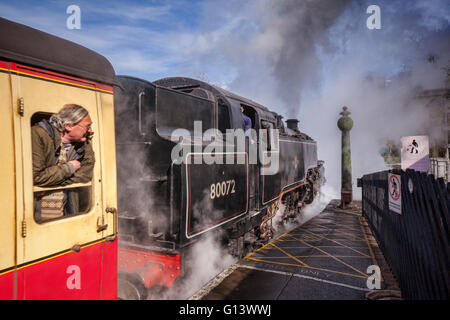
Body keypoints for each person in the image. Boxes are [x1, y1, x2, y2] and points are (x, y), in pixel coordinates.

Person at [32, 104, 95, 220]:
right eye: (87, 126)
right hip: (38, 217)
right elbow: (37, 177)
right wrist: (69, 168)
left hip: (69, 212)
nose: (90, 130)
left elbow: (85, 175)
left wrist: (51, 182)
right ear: (68, 126)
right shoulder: (39, 134)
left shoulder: (84, 144)